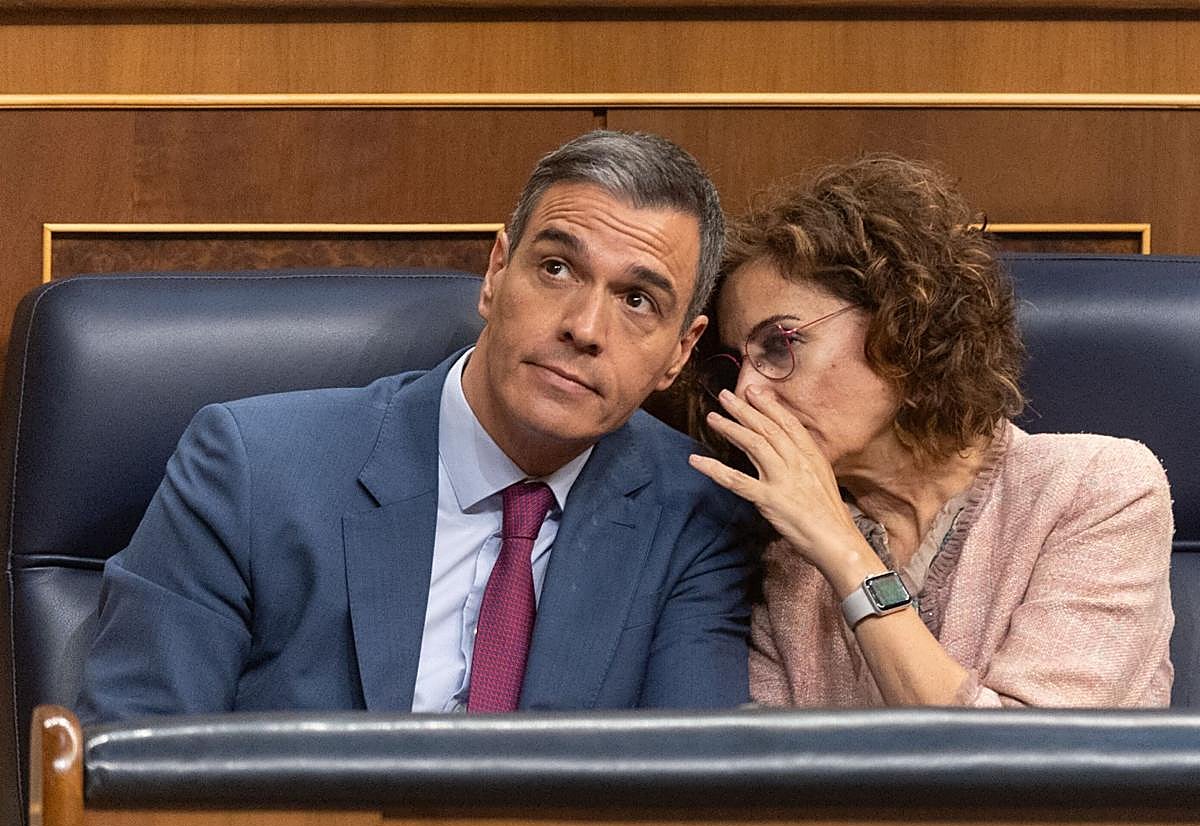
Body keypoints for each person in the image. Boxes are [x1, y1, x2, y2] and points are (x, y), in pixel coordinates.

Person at [77, 130, 752, 723]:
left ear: (680, 353)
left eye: (637, 300)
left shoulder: (692, 517)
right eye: (556, 268)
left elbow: (688, 798)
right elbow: (132, 765)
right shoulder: (251, 469)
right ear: (495, 274)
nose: (583, 327)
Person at [689, 154, 1174, 707]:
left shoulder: (1097, 489)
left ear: (903, 327)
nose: (748, 390)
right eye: (736, 361)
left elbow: (1031, 771)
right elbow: (776, 775)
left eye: (780, 342)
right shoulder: (791, 557)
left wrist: (844, 552)